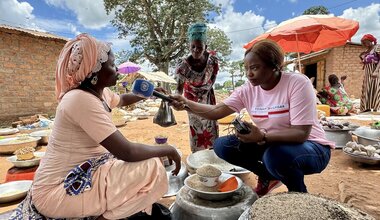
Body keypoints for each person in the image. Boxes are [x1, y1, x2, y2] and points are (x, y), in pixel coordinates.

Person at [11, 34, 181, 220]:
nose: (116, 68)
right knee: (151, 166)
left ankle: (105, 212)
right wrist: (168, 149)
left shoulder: (98, 93)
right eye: (111, 64)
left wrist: (147, 94)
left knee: (141, 163)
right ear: (94, 71)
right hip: (57, 191)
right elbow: (128, 151)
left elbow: (122, 99)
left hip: (81, 173)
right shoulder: (79, 99)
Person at [170, 40, 334, 197]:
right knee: (223, 145)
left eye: (254, 67)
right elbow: (215, 111)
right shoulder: (247, 90)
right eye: (246, 68)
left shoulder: (296, 83)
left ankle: (299, 195)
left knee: (274, 156)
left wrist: (263, 136)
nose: (249, 73)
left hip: (312, 147)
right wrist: (186, 104)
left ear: (274, 65)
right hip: (272, 144)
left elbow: (301, 133)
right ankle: (268, 175)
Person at [174, 23, 219, 152]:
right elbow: (179, 89)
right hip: (190, 99)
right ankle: (197, 155)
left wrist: (205, 91)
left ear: (206, 47)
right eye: (192, 47)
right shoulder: (183, 66)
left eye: (199, 47)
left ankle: (213, 152)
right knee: (196, 127)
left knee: (211, 124)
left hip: (208, 96)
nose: (195, 50)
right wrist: (177, 99)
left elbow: (212, 79)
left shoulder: (213, 61)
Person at [359, 34, 380, 112]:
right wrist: (361, 57)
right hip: (367, 72)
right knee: (367, 89)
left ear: (370, 41)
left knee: (375, 88)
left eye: (365, 42)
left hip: (375, 71)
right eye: (363, 43)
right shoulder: (366, 51)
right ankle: (366, 107)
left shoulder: (377, 47)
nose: (364, 44)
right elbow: (365, 61)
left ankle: (376, 108)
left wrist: (376, 71)